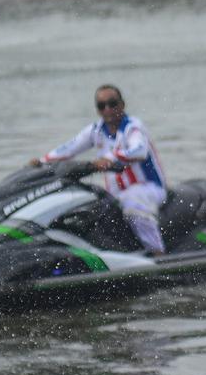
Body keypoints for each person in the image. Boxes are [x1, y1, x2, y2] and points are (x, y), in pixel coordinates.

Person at [31, 85, 167, 255]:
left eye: (112, 103)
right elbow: (69, 148)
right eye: (102, 106)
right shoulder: (96, 131)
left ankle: (158, 255)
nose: (108, 109)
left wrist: (109, 159)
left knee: (132, 204)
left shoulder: (133, 127)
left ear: (122, 104)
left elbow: (139, 150)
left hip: (148, 188)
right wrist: (42, 162)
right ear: (97, 110)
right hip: (117, 195)